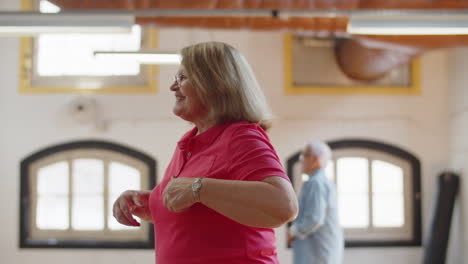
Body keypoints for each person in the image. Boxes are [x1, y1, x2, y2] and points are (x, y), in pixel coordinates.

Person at [112, 41, 298, 264]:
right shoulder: (189, 143)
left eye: (182, 78)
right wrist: (152, 202)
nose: (173, 87)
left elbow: (283, 205)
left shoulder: (241, 136)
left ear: (215, 84)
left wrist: (197, 187)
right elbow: (207, 210)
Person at [287, 141, 344, 264]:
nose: (302, 160)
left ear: (315, 159)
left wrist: (293, 232)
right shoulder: (321, 182)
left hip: (317, 254)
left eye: (305, 156)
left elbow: (315, 218)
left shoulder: (316, 183)